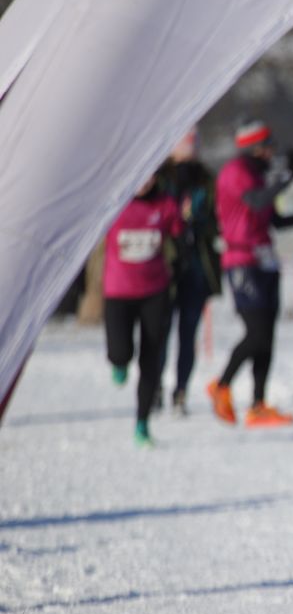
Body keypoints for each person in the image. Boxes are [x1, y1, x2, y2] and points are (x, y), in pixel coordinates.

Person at [207, 120, 293, 427]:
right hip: (242, 260)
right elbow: (257, 200)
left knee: (267, 337)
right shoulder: (236, 172)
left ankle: (258, 405)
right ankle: (221, 385)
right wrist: (286, 176)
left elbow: (276, 219)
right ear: (255, 146)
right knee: (256, 333)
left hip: (266, 259)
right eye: (268, 145)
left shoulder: (260, 175)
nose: (272, 151)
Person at [104, 168, 182, 445]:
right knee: (121, 351)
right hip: (118, 292)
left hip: (155, 292)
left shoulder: (165, 205)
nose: (143, 182)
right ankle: (119, 362)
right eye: (138, 175)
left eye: (148, 176)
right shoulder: (114, 205)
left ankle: (142, 423)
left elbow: (180, 234)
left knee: (152, 360)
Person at [156, 126, 221, 416]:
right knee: (160, 332)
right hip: (165, 267)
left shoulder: (206, 181)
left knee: (188, 334)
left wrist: (197, 222)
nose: (188, 150)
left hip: (197, 267)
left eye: (192, 144)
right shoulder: (158, 179)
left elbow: (218, 220)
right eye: (183, 144)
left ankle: (180, 392)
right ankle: (154, 386)